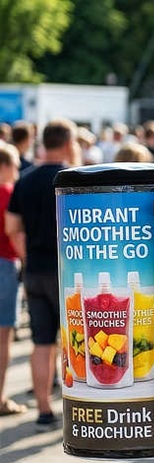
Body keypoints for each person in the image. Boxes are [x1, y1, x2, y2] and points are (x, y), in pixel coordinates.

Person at [8, 118, 77, 429]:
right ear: (67, 143)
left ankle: (44, 410)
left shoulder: (25, 180)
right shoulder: (72, 180)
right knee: (74, 342)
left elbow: (12, 227)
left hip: (35, 268)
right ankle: (76, 409)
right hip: (68, 273)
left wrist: (26, 256)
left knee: (42, 342)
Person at [0, 144, 24, 417]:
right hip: (5, 265)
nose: (18, 169)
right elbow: (13, 231)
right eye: (16, 163)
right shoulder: (7, 192)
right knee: (3, 337)